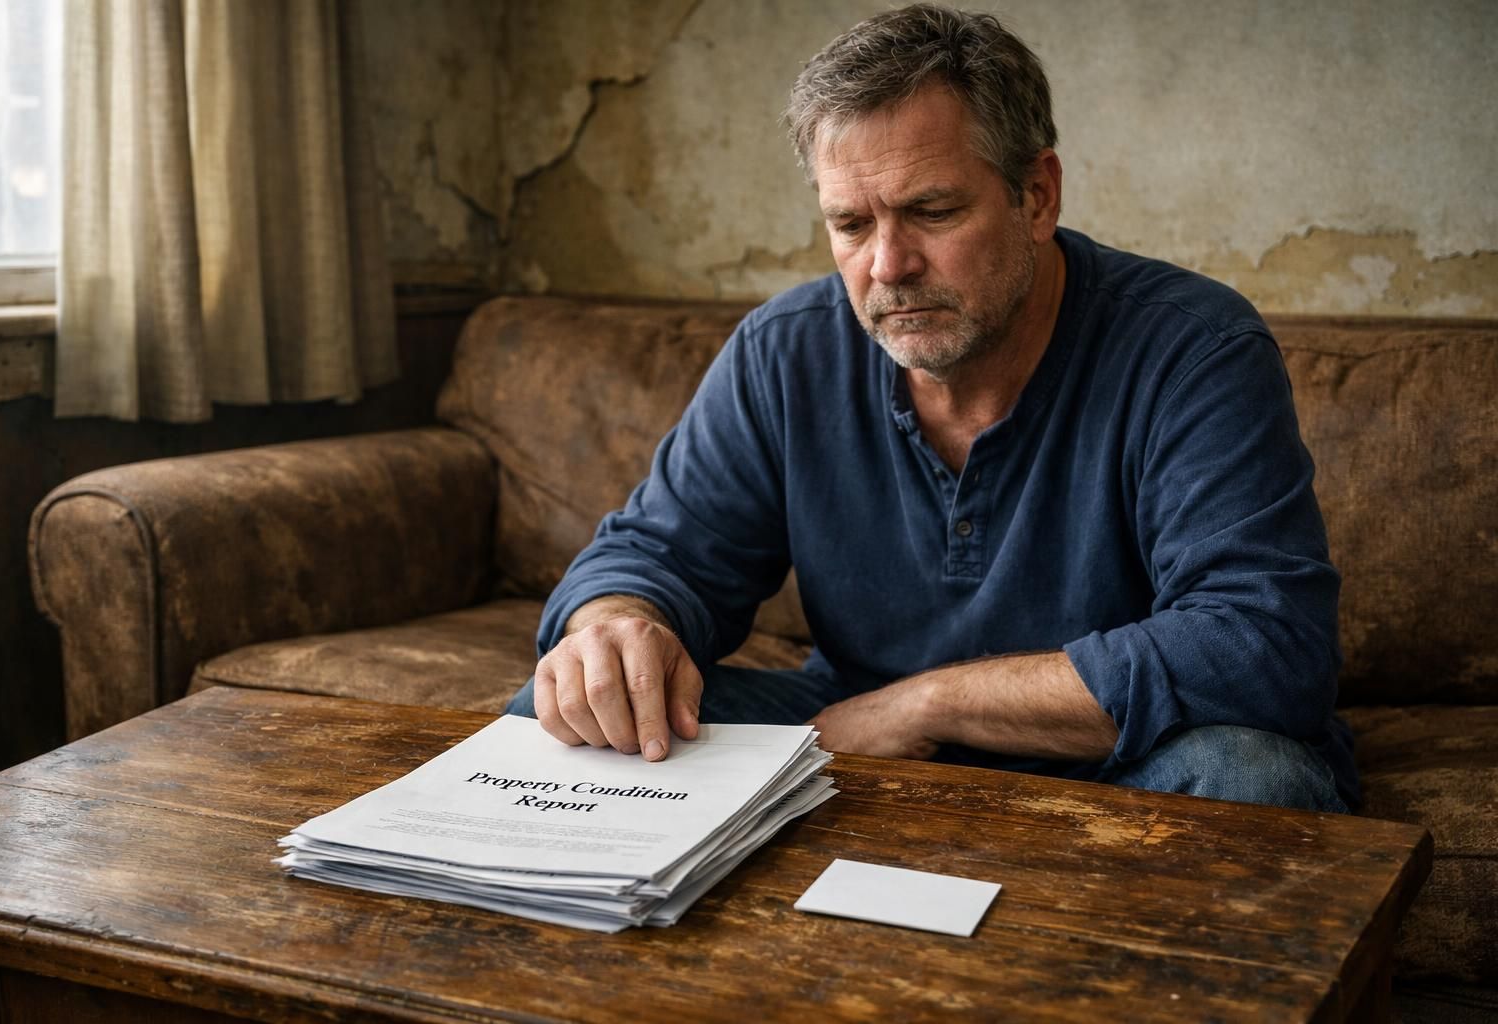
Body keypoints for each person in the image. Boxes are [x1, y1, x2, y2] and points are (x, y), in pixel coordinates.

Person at [504, 3, 1356, 813]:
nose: (887, 265)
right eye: (849, 224)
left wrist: (924, 706)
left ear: (1037, 197)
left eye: (932, 211)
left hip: (1115, 757)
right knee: (558, 723)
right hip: (851, 724)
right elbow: (659, 554)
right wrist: (617, 624)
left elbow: (1261, 645)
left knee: (1249, 776)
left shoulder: (1192, 349)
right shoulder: (785, 351)